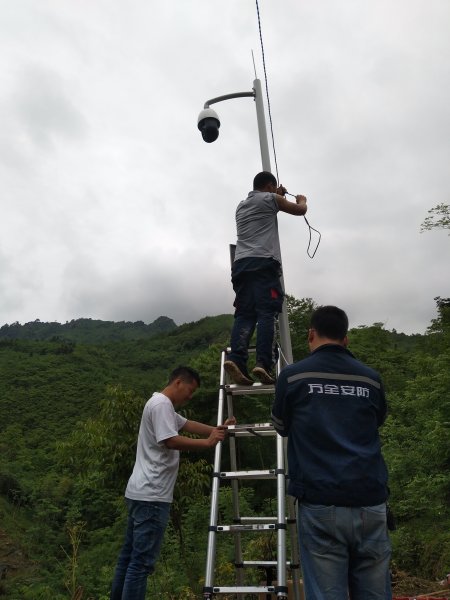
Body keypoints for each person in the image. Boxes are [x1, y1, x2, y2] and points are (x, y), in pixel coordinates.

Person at [271, 306, 392, 600]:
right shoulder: (370, 379)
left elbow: (281, 425)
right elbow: (377, 421)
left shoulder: (293, 377)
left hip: (320, 502)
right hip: (370, 503)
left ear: (311, 334)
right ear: (346, 339)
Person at [110, 366, 235, 600]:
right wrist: (208, 443)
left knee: (128, 560)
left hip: (141, 493)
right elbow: (170, 440)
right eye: (190, 390)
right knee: (140, 565)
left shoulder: (161, 405)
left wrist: (218, 430)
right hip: (152, 496)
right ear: (178, 382)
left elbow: (187, 425)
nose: (190, 396)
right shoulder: (161, 405)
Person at [224, 171, 307, 386]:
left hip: (241, 265)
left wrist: (276, 194)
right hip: (264, 264)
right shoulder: (271, 199)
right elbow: (300, 210)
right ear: (270, 186)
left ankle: (237, 361)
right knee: (266, 312)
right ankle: (263, 362)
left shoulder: (241, 206)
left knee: (244, 314)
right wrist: (301, 198)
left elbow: (267, 206)